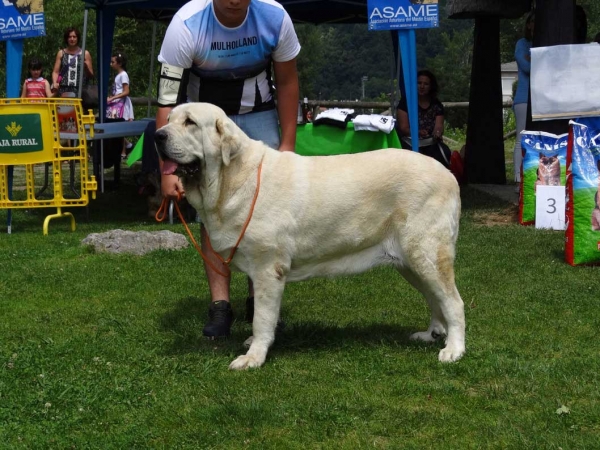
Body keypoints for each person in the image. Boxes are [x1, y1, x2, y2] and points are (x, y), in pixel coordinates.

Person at [156, 0, 301, 337]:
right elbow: (167, 100)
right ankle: (220, 306)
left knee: (264, 211)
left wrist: (288, 146)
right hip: (202, 126)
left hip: (258, 115)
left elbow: (289, 82)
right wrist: (167, 171)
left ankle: (259, 301)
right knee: (213, 209)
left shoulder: (275, 17)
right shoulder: (186, 24)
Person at [396, 69, 450, 168]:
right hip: (409, 141)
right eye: (419, 83)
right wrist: (418, 132)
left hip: (430, 142)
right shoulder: (405, 102)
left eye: (425, 84)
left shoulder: (436, 104)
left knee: (445, 153)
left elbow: (439, 125)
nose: (422, 87)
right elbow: (404, 128)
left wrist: (437, 132)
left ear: (431, 87)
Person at [513, 12, 534, 185]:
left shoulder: (537, 46)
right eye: (532, 22)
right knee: (521, 137)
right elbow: (526, 66)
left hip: (540, 98)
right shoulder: (522, 44)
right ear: (528, 25)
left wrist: (533, 57)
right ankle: (518, 177)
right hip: (524, 98)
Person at [106, 51, 135, 160]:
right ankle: (127, 145)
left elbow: (126, 91)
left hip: (120, 104)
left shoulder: (123, 75)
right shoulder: (118, 75)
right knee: (115, 126)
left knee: (119, 127)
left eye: (113, 62)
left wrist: (114, 97)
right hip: (115, 103)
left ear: (119, 63)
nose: (111, 64)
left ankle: (123, 151)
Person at [51, 26, 94, 98]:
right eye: (70, 37)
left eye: (74, 37)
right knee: (65, 109)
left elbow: (91, 75)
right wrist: (55, 82)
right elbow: (55, 71)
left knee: (78, 109)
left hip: (80, 89)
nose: (72, 39)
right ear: (66, 39)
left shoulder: (85, 53)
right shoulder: (61, 53)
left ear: (78, 38)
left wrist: (86, 68)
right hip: (64, 89)